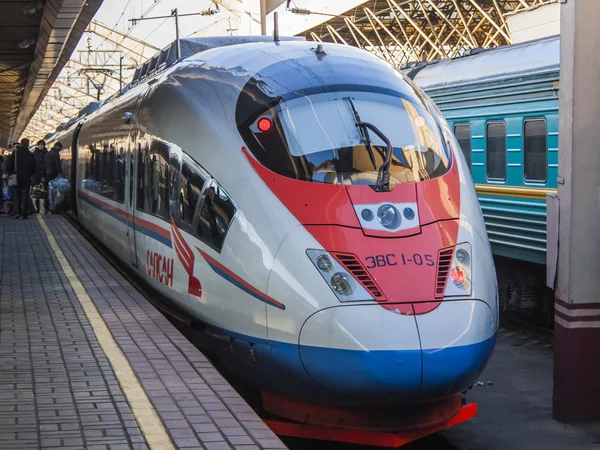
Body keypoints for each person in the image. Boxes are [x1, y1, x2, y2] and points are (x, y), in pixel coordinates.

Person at [6, 138, 37, 219]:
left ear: (21, 144)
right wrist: (29, 174)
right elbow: (35, 167)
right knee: (25, 196)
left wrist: (11, 173)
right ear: (28, 144)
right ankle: (24, 214)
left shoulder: (15, 153)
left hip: (16, 178)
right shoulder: (30, 154)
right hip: (26, 178)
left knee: (17, 196)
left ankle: (17, 213)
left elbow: (9, 164)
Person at [31, 140, 48, 213]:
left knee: (45, 193)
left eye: (42, 145)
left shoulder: (47, 153)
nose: (41, 146)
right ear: (37, 146)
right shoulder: (34, 153)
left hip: (44, 176)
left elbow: (47, 165)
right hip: (36, 176)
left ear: (44, 146)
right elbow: (31, 164)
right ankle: (37, 209)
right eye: (39, 145)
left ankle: (45, 209)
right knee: (36, 193)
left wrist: (44, 176)